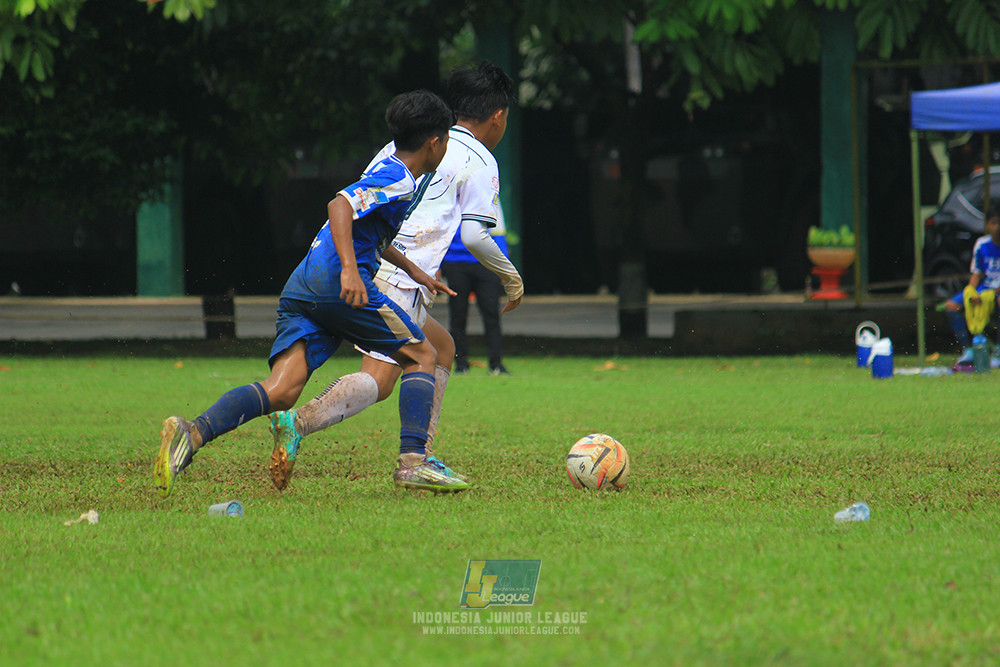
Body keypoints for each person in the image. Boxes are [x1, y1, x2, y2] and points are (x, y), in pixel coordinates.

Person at [153, 89, 470, 497]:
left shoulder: (390, 169)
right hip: (336, 284)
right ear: (435, 142)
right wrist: (351, 272)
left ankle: (193, 432)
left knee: (282, 389)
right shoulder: (400, 178)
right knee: (423, 355)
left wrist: (413, 270)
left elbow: (368, 231)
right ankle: (414, 463)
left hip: (304, 283)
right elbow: (340, 207)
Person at [266, 61, 522, 491]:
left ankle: (423, 453)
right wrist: (512, 278)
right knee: (382, 377)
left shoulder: (406, 141)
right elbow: (476, 236)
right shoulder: (481, 159)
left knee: (442, 348)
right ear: (497, 116)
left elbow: (359, 198)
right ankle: (303, 424)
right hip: (399, 276)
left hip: (374, 260)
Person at [441, 206, 511, 375]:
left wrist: (504, 267)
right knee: (458, 315)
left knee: (492, 314)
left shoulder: (489, 197)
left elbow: (499, 232)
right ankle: (460, 364)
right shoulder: (450, 198)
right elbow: (441, 233)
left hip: (486, 264)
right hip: (455, 263)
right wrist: (438, 265)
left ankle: (496, 365)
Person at [944, 200, 1000, 371]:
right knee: (951, 306)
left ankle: (998, 351)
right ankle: (968, 349)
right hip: (985, 288)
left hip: (996, 292)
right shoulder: (982, 244)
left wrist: (993, 293)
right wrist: (971, 293)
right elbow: (977, 273)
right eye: (994, 223)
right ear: (987, 225)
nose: (997, 227)